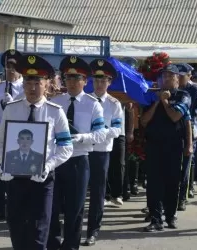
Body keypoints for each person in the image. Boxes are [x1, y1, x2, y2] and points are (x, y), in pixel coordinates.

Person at [0, 54, 73, 249]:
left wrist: (48, 166)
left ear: (46, 84)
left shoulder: (55, 111)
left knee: (39, 230)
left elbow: (66, 146)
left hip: (42, 179)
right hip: (15, 178)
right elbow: (0, 143)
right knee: (16, 227)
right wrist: (4, 164)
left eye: (37, 82)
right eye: (28, 81)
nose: (32, 87)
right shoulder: (11, 110)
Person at [48, 56, 106, 250]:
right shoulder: (55, 102)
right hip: (55, 159)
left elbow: (100, 134)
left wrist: (81, 137)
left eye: (76, 78)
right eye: (68, 78)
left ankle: (71, 246)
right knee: (53, 206)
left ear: (85, 81)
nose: (71, 83)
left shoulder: (93, 104)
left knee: (75, 208)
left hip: (78, 160)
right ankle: (53, 244)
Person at [140, 64, 192, 232]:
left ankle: (170, 216)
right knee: (154, 184)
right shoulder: (151, 96)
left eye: (170, 76)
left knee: (172, 182)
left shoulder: (183, 95)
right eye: (163, 76)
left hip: (174, 146)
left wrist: (164, 100)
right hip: (154, 145)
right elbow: (144, 120)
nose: (166, 79)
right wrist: (157, 102)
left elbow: (177, 116)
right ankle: (156, 219)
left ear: (177, 78)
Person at [84, 59, 123, 246]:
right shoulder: (85, 101)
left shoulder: (114, 104)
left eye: (103, 81)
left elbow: (117, 130)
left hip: (100, 152)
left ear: (109, 82)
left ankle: (92, 230)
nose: (99, 84)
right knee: (78, 192)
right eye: (96, 80)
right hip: (82, 151)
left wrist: (99, 133)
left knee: (98, 193)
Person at [0, 49, 25, 221]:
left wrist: (14, 103)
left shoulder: (26, 87)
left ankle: (18, 208)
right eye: (8, 67)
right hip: (0, 134)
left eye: (14, 67)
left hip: (20, 136)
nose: (10, 70)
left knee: (19, 173)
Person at [176, 63, 197, 208]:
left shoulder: (194, 90)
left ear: (189, 76)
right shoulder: (173, 87)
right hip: (173, 131)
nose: (180, 78)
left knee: (185, 166)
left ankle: (182, 197)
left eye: (183, 76)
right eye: (179, 75)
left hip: (189, 131)